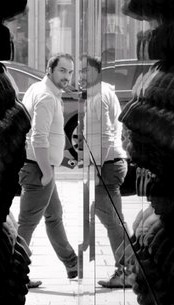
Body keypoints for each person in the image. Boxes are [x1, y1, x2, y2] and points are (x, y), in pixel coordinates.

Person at [17, 53, 79, 288]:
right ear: (49, 70)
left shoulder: (42, 90)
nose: (67, 76)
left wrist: (63, 161)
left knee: (54, 215)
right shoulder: (46, 97)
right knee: (27, 225)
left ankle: (72, 263)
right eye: (62, 70)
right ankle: (15, 275)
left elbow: (50, 136)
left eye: (70, 72)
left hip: (40, 167)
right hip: (38, 171)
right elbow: (38, 138)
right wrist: (47, 173)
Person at [80, 56, 137, 288]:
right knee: (110, 217)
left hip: (107, 165)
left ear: (97, 71)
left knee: (112, 220)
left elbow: (104, 134)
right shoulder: (99, 93)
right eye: (80, 72)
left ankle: (128, 270)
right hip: (109, 163)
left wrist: (98, 168)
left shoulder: (100, 96)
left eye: (85, 71)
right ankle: (130, 267)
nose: (81, 76)